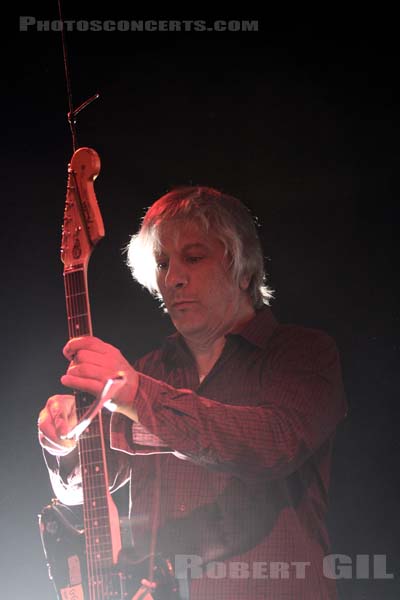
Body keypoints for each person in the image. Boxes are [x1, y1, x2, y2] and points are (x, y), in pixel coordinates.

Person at [38, 186, 347, 599]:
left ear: (244, 270)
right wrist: (63, 444)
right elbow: (85, 487)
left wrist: (136, 399)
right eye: (162, 263)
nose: (173, 277)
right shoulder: (147, 371)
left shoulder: (303, 353)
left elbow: (273, 444)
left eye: (194, 258)